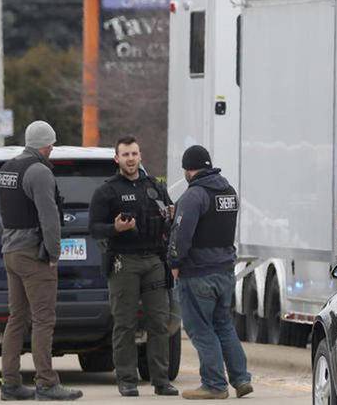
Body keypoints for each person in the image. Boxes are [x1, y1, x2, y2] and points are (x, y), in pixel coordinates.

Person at [0, 121, 82, 402]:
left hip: (10, 250)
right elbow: (49, 216)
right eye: (52, 146)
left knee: (16, 319)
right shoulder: (39, 171)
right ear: (47, 145)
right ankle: (46, 383)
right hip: (33, 255)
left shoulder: (6, 169)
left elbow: (5, 211)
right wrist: (54, 252)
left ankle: (10, 383)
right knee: (43, 320)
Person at [88, 136, 178, 397]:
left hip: (153, 260)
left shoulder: (155, 187)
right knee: (125, 323)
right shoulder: (107, 191)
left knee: (159, 323)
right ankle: (127, 379)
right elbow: (94, 228)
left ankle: (161, 380)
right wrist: (114, 228)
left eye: (134, 154)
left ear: (140, 156)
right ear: (117, 158)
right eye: (125, 155)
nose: (130, 159)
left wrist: (170, 217)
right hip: (123, 261)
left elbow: (169, 218)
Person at [168, 145, 252, 400]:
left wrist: (173, 262)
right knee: (224, 325)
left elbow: (181, 235)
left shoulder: (193, 196)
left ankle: (214, 384)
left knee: (200, 328)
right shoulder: (229, 192)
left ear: (188, 169)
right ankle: (241, 379)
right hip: (225, 270)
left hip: (198, 273)